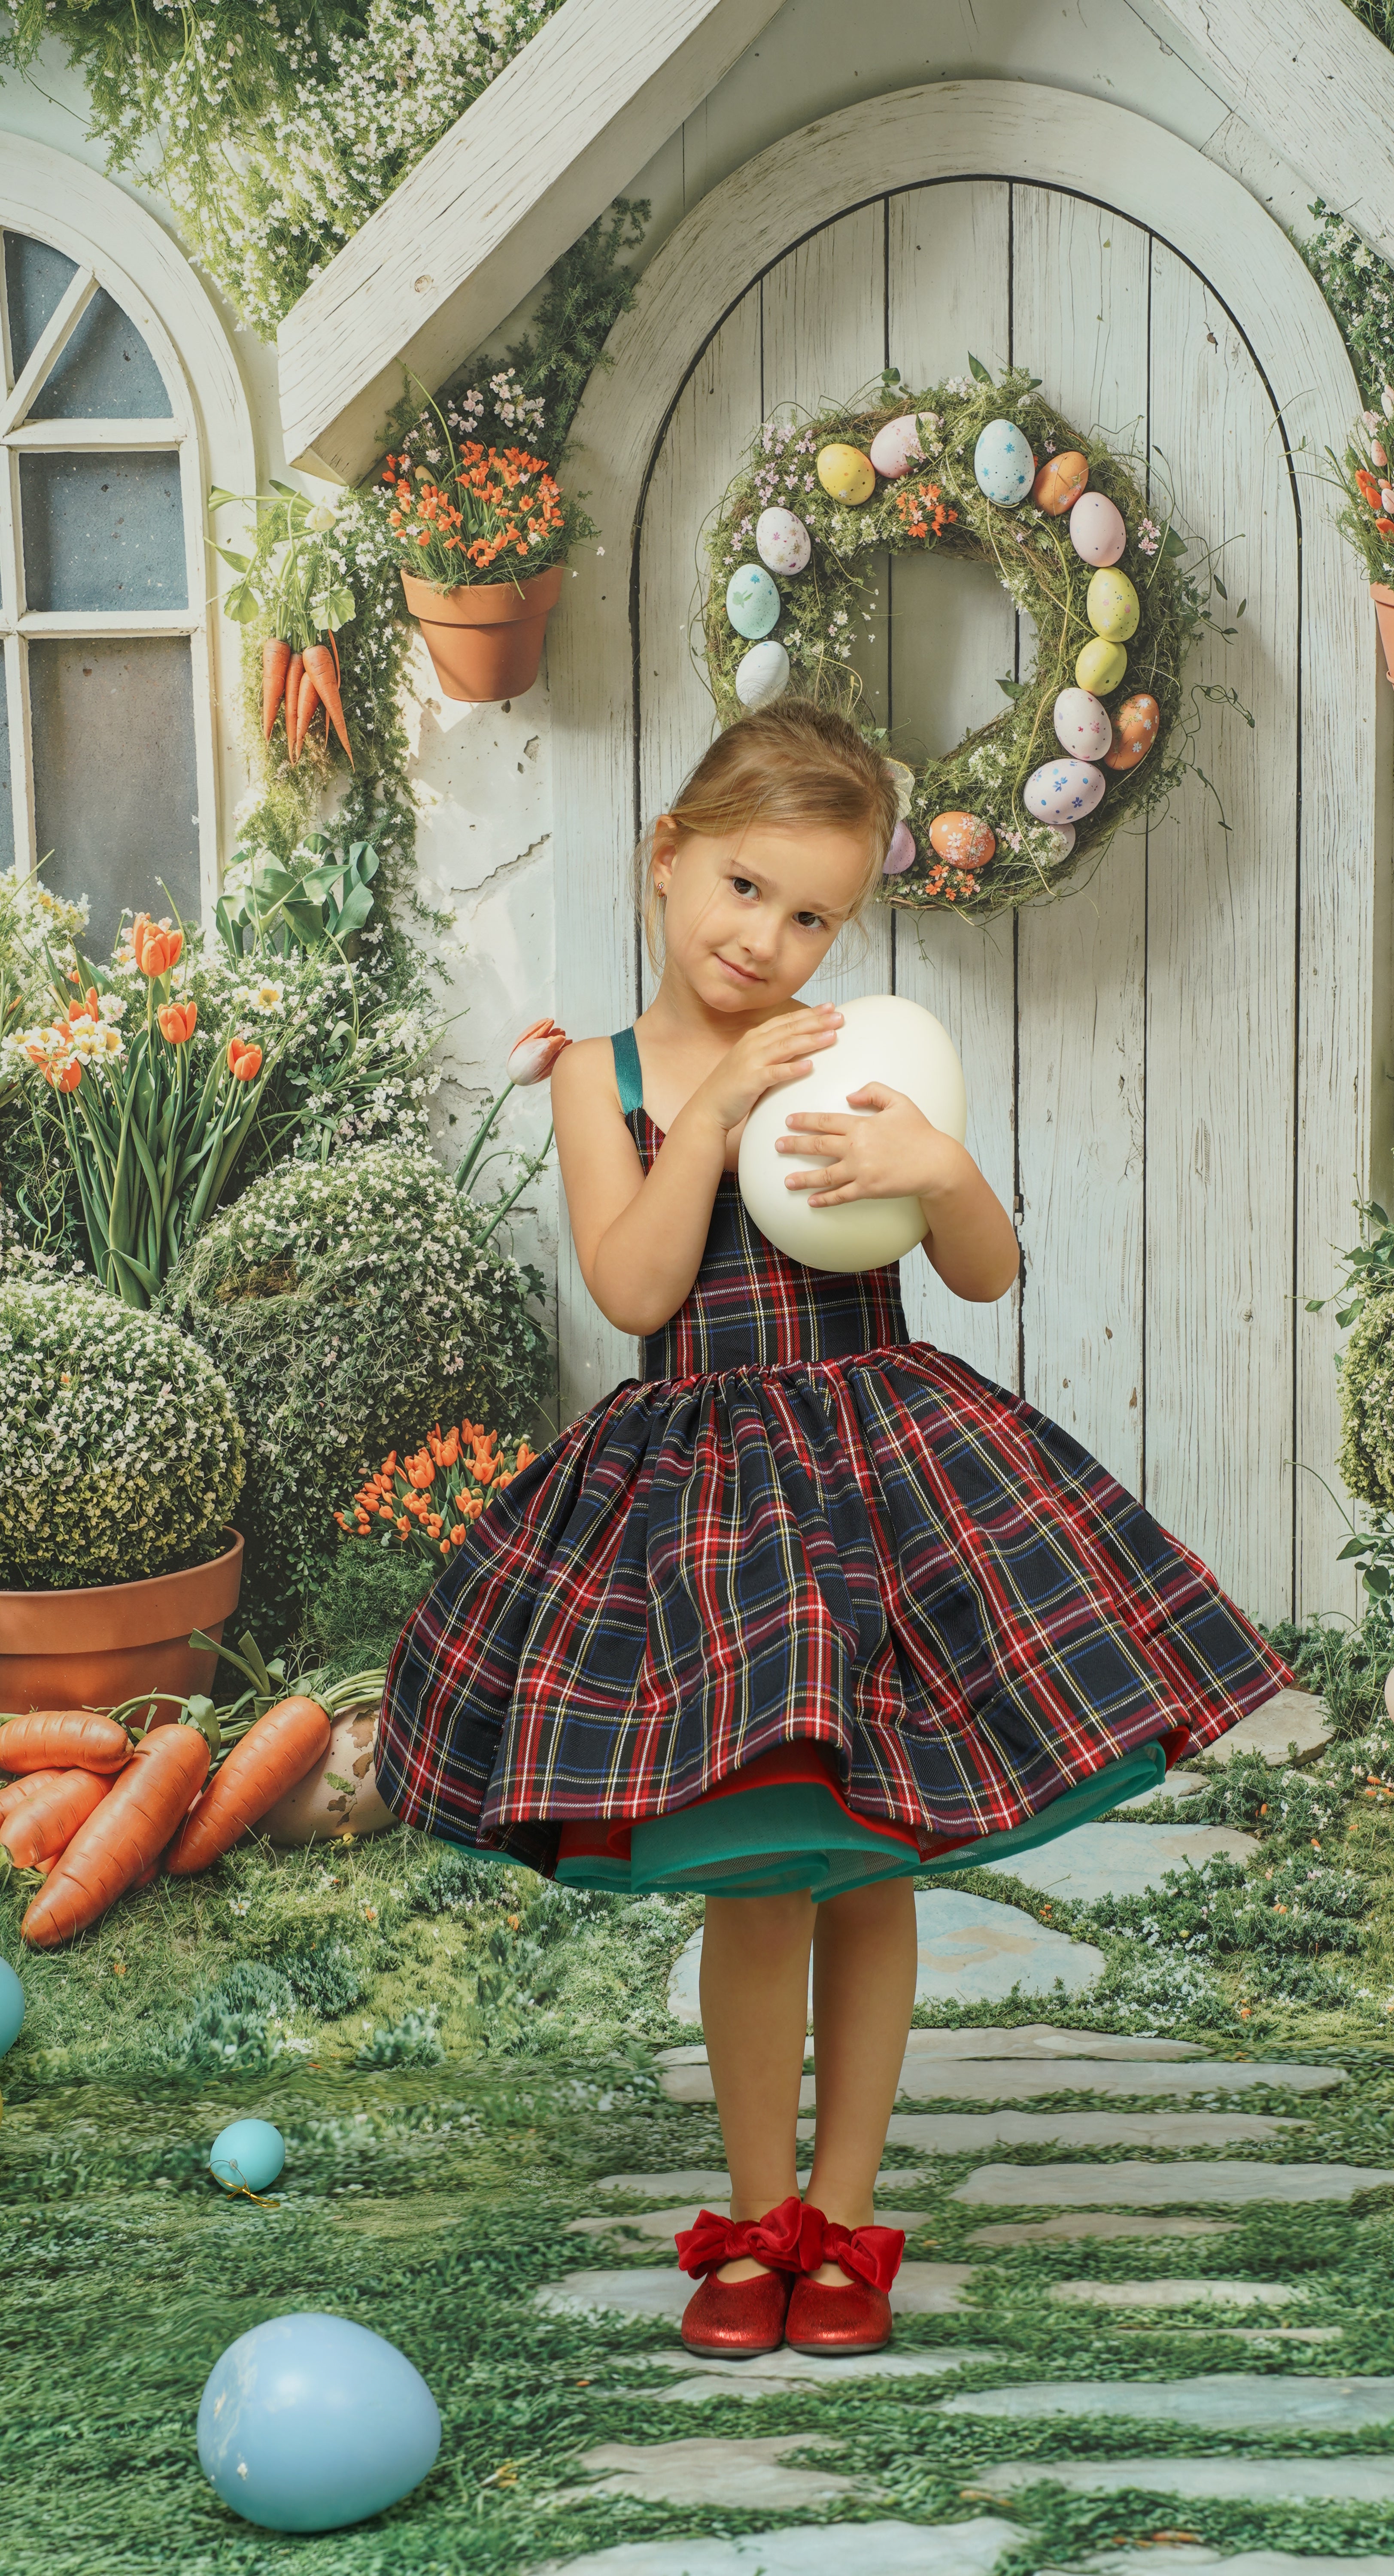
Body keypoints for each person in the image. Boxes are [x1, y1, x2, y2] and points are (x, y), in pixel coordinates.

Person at [374, 698, 1293, 2363]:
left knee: (874, 1863)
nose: (767, 940)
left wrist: (934, 1164)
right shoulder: (599, 1077)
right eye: (744, 889)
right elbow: (636, 1289)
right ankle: (754, 2221)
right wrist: (714, 1114)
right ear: (667, 861)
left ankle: (848, 2219)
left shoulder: (860, 1049)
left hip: (877, 1484)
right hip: (712, 1514)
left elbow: (985, 1273)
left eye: (811, 916)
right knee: (756, 1878)